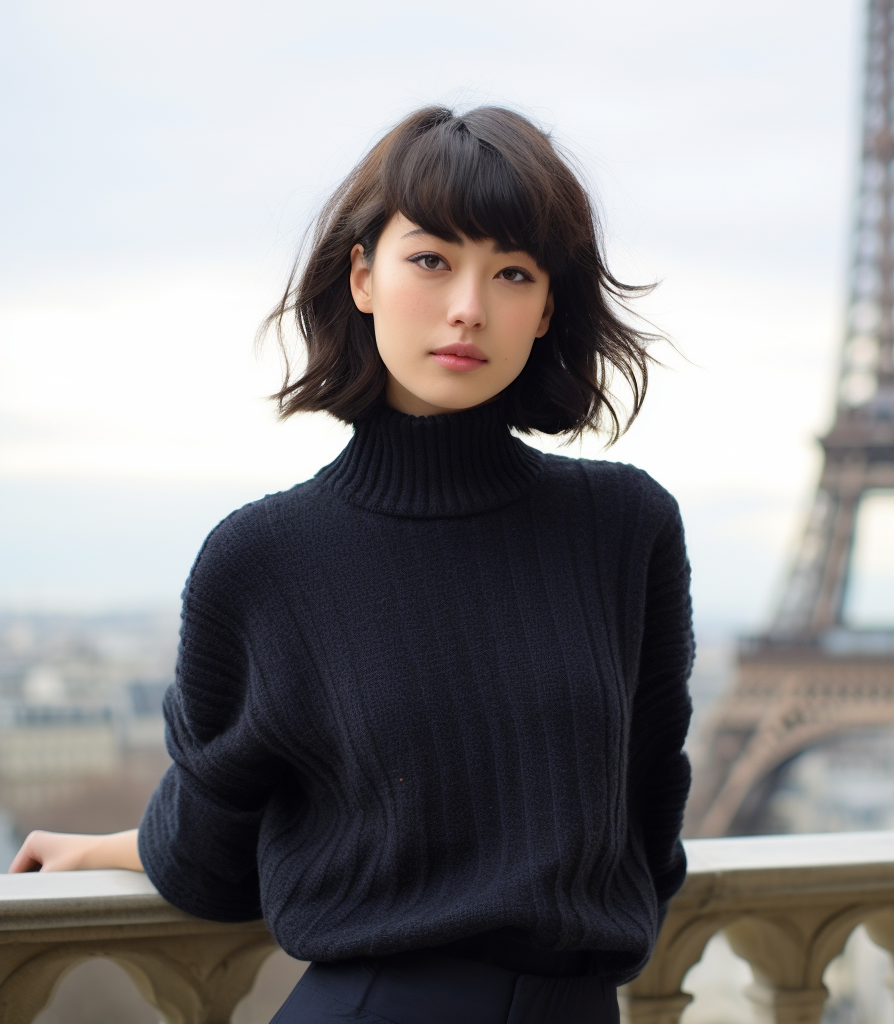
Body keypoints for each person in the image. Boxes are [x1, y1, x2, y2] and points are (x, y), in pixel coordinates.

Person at [10, 105, 694, 1024]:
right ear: (362, 276)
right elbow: (212, 848)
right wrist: (111, 851)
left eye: (514, 273)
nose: (468, 306)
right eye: (432, 259)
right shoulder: (263, 560)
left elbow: (650, 806)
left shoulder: (627, 527)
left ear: (546, 312)